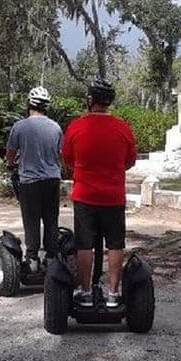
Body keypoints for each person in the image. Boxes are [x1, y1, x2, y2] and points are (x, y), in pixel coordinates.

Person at [62, 78, 137, 308]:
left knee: (84, 244)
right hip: (113, 196)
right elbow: (130, 161)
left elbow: (68, 160)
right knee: (115, 244)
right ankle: (114, 294)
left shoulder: (76, 126)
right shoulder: (123, 128)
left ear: (90, 100)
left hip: (85, 196)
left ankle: (85, 292)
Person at [6, 86, 63, 271]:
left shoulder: (20, 126)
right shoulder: (56, 127)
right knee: (51, 218)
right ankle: (52, 257)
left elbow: (11, 152)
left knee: (31, 219)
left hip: (29, 181)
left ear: (29, 104)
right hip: (52, 179)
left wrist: (11, 165)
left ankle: (32, 258)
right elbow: (60, 153)